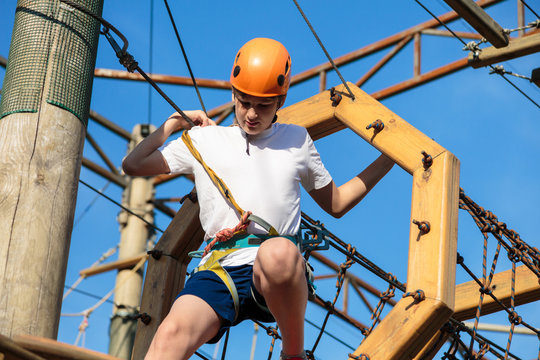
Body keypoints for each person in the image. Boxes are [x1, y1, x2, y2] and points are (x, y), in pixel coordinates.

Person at [122, 37, 395, 360]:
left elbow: (336, 203)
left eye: (263, 105)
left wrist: (387, 159)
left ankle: (292, 354)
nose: (251, 114)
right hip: (219, 267)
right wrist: (171, 124)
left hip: (275, 274)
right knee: (169, 336)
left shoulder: (296, 140)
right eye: (244, 102)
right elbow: (134, 165)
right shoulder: (205, 140)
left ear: (280, 101)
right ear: (233, 94)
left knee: (277, 253)